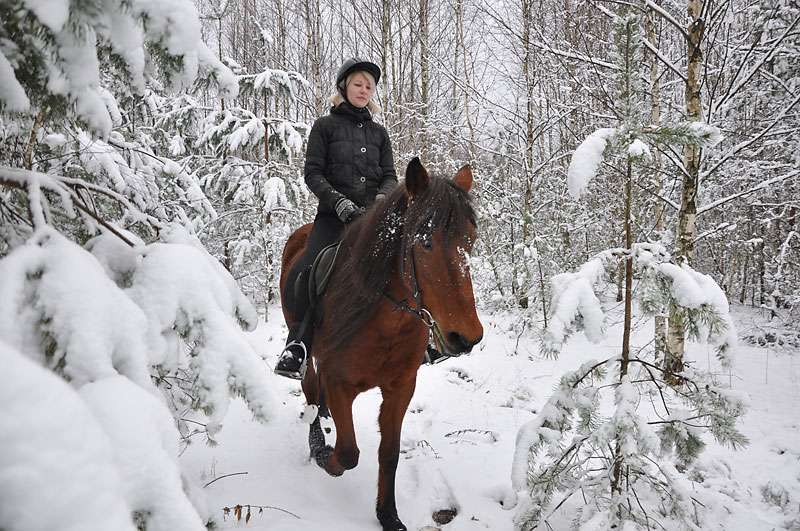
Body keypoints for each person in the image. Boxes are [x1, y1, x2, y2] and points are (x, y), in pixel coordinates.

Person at [274, 57, 398, 379]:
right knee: (308, 269)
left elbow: (389, 176)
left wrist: (383, 199)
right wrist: (339, 202)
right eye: (358, 84)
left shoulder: (379, 133)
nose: (364, 90)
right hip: (333, 217)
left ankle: (422, 341)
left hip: (370, 220)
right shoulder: (324, 127)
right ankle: (298, 346)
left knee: (407, 262)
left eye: (369, 86)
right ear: (343, 87)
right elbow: (313, 174)